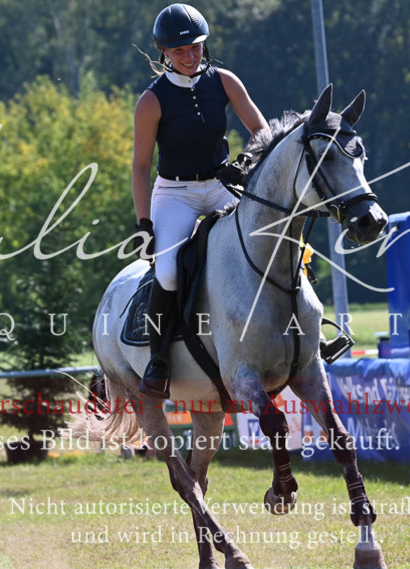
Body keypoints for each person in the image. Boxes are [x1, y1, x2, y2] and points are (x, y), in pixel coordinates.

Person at [132, 3, 269, 400]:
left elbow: (261, 131)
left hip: (221, 183)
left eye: (195, 47)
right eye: (179, 51)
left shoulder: (224, 81)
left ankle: (306, 326)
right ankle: (158, 361)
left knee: (269, 237)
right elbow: (141, 167)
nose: (189, 56)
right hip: (175, 194)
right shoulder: (152, 101)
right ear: (164, 54)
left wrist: (243, 162)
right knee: (170, 270)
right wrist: (144, 224)